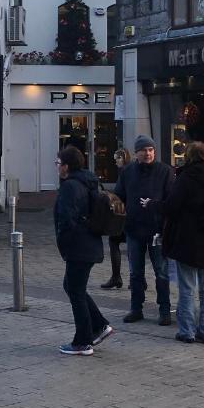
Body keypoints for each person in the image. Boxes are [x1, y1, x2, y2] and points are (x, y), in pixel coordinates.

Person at [162, 142, 204, 344]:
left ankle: (187, 331)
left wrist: (153, 205)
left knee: (187, 288)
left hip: (188, 241)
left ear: (189, 157)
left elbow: (171, 207)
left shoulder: (186, 178)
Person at [54, 146, 113, 355]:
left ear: (67, 166)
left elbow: (66, 218)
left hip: (78, 245)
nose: (57, 167)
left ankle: (83, 341)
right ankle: (99, 325)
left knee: (75, 291)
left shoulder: (70, 186)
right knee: (71, 286)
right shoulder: (89, 182)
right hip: (90, 242)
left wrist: (63, 241)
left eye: (58, 163)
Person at [115, 135, 174, 325]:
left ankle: (164, 310)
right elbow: (119, 196)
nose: (148, 153)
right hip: (133, 229)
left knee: (161, 272)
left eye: (151, 150)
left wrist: (157, 209)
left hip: (157, 230)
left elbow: (171, 199)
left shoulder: (165, 171)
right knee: (135, 272)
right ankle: (136, 308)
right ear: (136, 153)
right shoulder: (127, 171)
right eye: (144, 150)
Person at [101, 147, 131, 290]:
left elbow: (120, 193)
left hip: (126, 215)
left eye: (118, 158)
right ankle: (131, 277)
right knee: (120, 242)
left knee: (116, 241)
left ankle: (117, 277)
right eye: (115, 159)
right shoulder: (127, 171)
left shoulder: (125, 171)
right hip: (129, 214)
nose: (116, 162)